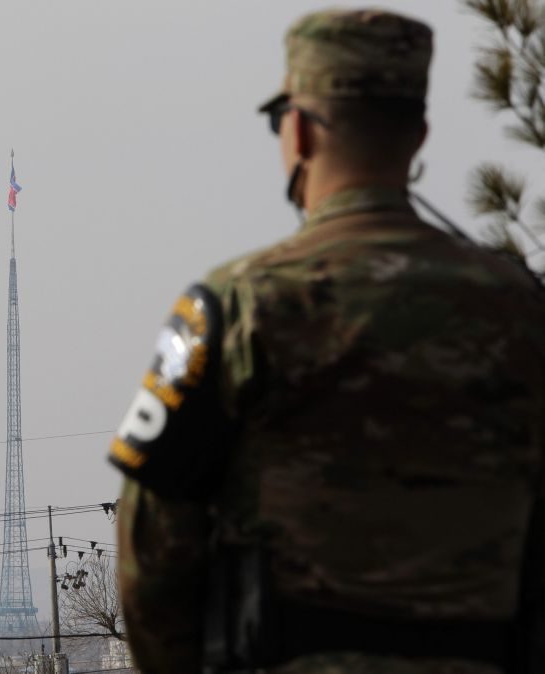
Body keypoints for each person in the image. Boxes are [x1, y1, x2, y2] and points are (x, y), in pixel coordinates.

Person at [109, 8, 545, 674]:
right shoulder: (523, 308)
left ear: (300, 131)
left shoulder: (237, 306)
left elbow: (154, 546)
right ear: (418, 135)